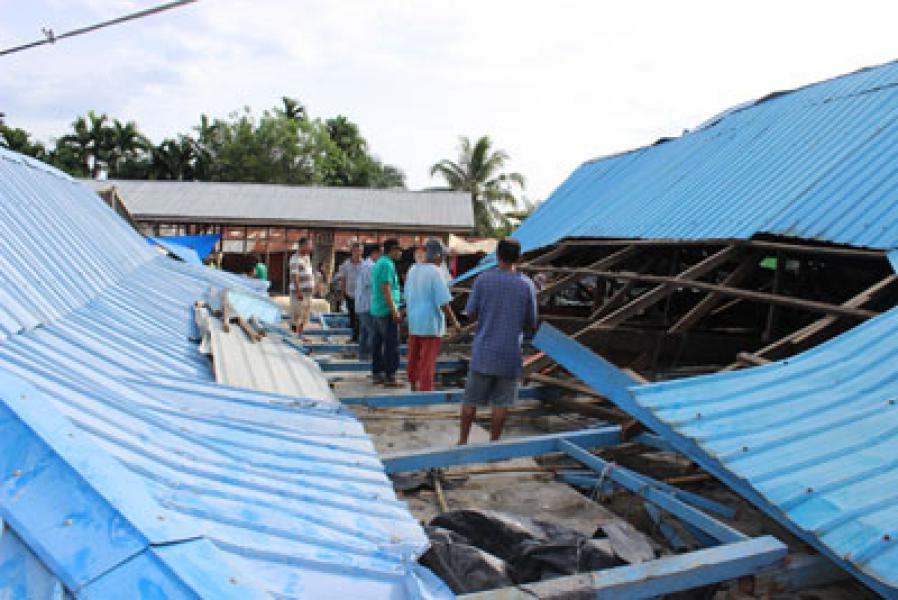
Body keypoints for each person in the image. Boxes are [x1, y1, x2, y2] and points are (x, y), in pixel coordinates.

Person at [458, 238, 537, 444]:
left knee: (470, 400)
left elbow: (470, 312)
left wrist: (487, 317)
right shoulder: (526, 285)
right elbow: (531, 321)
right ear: (519, 258)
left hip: (484, 350)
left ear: (497, 255)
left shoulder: (483, 280)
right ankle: (493, 443)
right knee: (501, 404)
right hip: (510, 353)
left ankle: (463, 441)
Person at [405, 238, 460, 392]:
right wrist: (455, 323)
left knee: (413, 357)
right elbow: (443, 301)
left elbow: (407, 295)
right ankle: (425, 389)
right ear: (437, 256)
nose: (443, 259)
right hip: (430, 322)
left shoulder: (413, 269)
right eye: (442, 257)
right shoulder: (435, 272)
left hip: (414, 319)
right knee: (427, 360)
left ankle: (413, 384)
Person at [370, 238, 403, 387]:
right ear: (392, 250)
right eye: (398, 250)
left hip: (378, 309)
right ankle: (390, 375)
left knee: (378, 343)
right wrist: (394, 310)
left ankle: (377, 373)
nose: (400, 253)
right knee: (391, 344)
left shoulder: (380, 263)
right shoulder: (387, 264)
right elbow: (386, 288)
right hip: (386, 310)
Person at [355, 243, 381, 361]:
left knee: (365, 331)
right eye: (380, 253)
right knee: (373, 332)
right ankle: (373, 356)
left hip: (363, 303)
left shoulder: (366, 265)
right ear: (374, 253)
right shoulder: (370, 267)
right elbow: (372, 284)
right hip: (368, 304)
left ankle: (363, 354)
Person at [288, 238, 315, 334]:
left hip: (308, 292)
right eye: (309, 245)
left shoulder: (306, 257)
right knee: (297, 314)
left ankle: (300, 333)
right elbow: (295, 276)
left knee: (305, 315)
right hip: (299, 292)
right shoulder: (295, 259)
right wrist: (299, 291)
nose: (311, 247)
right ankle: (294, 334)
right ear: (302, 246)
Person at [338, 242, 363, 341]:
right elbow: (343, 279)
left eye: (360, 251)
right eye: (356, 251)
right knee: (352, 316)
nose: (358, 253)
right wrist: (342, 293)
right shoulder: (346, 264)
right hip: (350, 294)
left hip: (361, 295)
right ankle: (354, 336)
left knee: (360, 317)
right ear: (352, 251)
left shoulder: (365, 264)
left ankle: (358, 336)